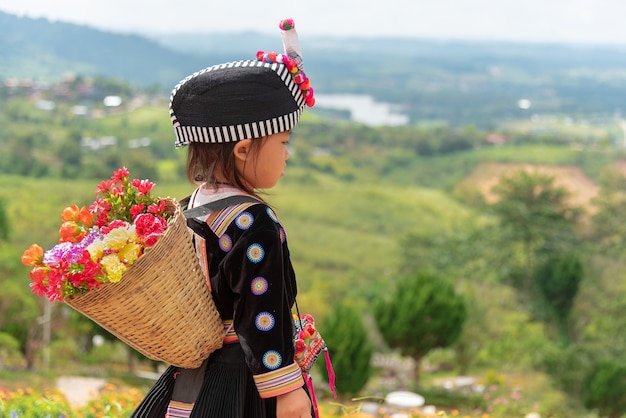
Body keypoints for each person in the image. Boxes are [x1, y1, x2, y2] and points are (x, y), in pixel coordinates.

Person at [131, 19, 316, 418]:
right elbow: (260, 310)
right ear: (244, 148)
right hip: (243, 386)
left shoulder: (194, 204)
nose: (287, 154)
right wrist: (286, 389)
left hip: (193, 377)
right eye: (282, 142)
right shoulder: (254, 220)